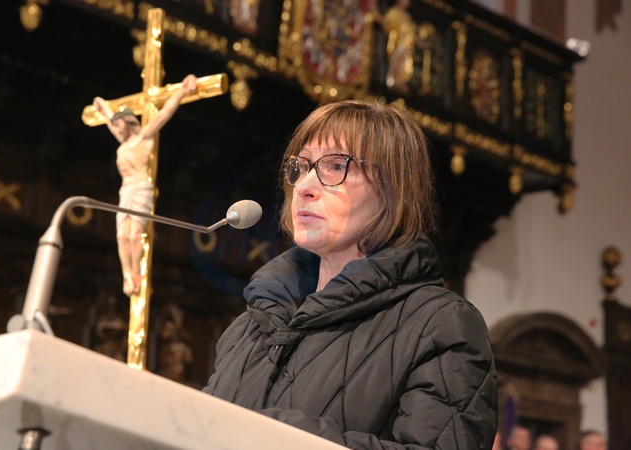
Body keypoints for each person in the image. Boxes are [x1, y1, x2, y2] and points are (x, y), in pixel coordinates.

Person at [202, 100, 497, 448]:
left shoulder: (439, 324)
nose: (304, 186)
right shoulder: (249, 326)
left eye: (336, 166)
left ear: (393, 188)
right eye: (301, 166)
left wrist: (284, 437)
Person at [93, 74, 197, 296]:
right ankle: (127, 274)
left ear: (129, 123)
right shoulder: (123, 143)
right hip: (126, 191)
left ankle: (136, 273)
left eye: (120, 124)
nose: (117, 128)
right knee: (121, 235)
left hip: (141, 188)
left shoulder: (144, 138)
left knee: (134, 235)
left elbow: (164, 115)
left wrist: (181, 92)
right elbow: (111, 121)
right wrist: (103, 108)